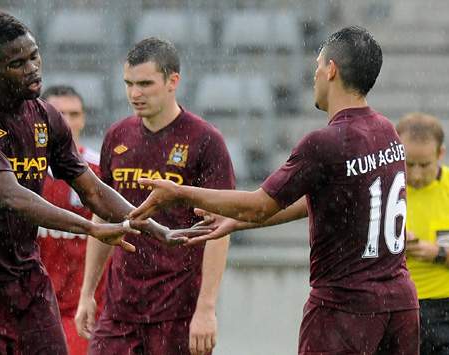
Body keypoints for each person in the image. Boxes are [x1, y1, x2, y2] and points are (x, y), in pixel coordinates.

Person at [0, 13, 208, 355]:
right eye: (17, 63)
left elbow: (91, 189)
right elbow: (10, 196)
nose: (32, 68)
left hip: (26, 279)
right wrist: (91, 229)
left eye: (34, 56)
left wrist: (154, 228)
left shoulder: (46, 116)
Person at [131, 26, 420, 354]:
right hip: (399, 305)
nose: (314, 75)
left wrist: (179, 192)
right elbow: (328, 198)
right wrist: (238, 222)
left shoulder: (324, 143)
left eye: (317, 65)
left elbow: (259, 204)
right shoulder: (386, 132)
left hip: (345, 308)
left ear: (331, 70)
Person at [74, 37, 235, 355]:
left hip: (177, 310)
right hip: (119, 308)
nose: (135, 94)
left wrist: (206, 309)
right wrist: (88, 291)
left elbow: (219, 229)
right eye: (129, 84)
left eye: (145, 83)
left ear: (173, 80)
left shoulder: (205, 141)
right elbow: (103, 215)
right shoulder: (117, 136)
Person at [37, 85, 109, 354]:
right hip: (33, 309)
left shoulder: (101, 171)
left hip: (84, 311)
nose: (66, 121)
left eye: (74, 113)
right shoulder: (20, 175)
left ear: (83, 119)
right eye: (59, 113)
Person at [396, 112, 449, 354]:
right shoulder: (382, 190)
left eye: (424, 165)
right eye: (409, 164)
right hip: (396, 308)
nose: (416, 174)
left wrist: (439, 253)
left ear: (441, 154)